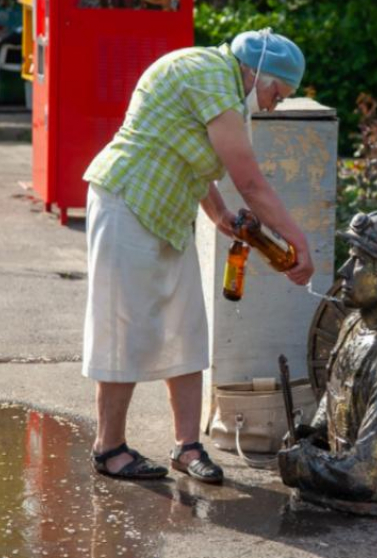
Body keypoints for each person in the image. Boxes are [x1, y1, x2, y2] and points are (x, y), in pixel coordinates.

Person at [83, 29, 315, 484]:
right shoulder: (210, 76)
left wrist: (220, 214)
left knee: (186, 328)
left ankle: (187, 447)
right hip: (127, 202)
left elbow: (190, 152)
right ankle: (108, 447)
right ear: (257, 73)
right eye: (275, 93)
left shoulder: (223, 82)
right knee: (122, 328)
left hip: (165, 211)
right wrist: (299, 242)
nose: (272, 105)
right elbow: (250, 181)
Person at [277, 210, 377, 515]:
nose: (343, 271)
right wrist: (314, 432)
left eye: (358, 261)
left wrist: (303, 464)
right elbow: (338, 391)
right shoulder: (353, 324)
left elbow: (364, 476)